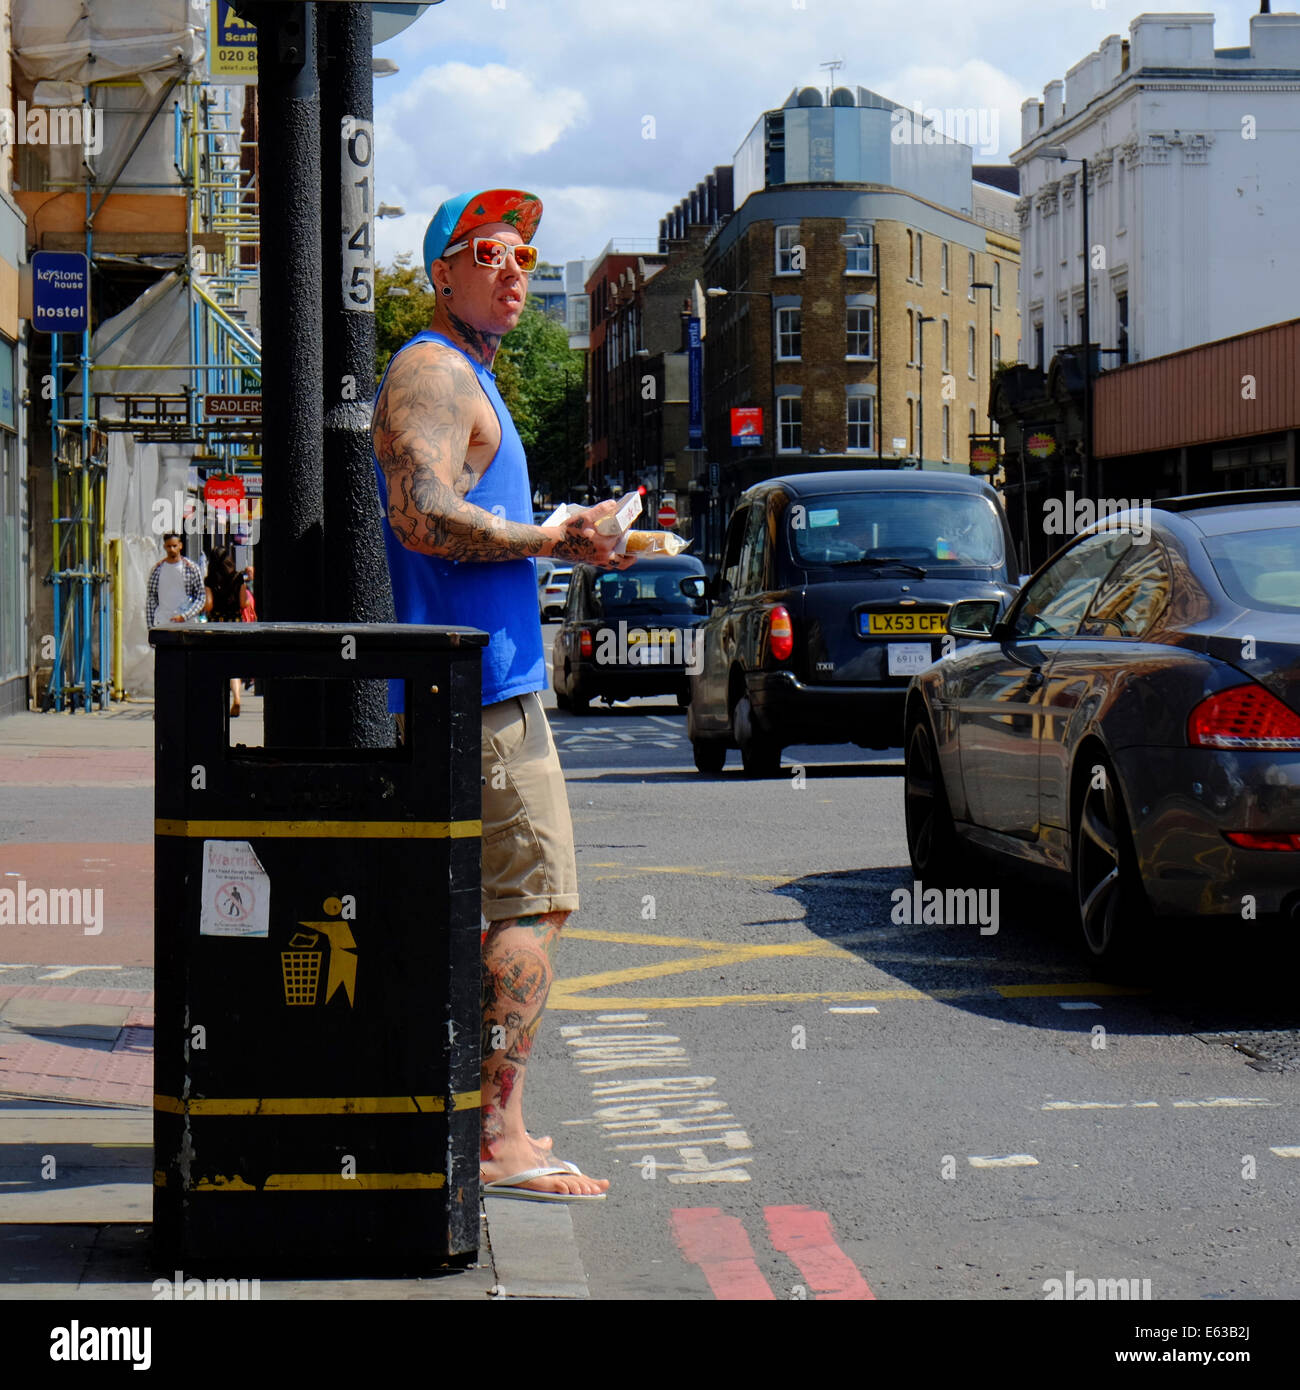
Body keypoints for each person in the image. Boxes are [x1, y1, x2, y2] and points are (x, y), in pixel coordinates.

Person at [372, 188, 633, 1202]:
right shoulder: (432, 369)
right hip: (481, 695)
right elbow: (419, 510)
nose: (514, 269)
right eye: (490, 252)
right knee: (536, 898)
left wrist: (585, 533)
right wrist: (547, 538)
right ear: (443, 271)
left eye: (526, 253)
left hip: (481, 686)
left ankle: (482, 1119)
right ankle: (498, 1138)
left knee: (490, 909)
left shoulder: (466, 371)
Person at [203, 545, 248, 716]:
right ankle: (236, 697)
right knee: (233, 662)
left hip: (216, 623)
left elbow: (209, 605)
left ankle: (216, 702)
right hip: (234, 623)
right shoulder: (238, 578)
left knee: (216, 661)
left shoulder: (210, 580)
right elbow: (243, 603)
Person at [146, 533, 205, 627]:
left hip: (187, 624)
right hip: (163, 622)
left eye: (174, 546)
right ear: (164, 547)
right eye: (169, 546)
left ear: (180, 546)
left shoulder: (192, 568)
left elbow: (200, 597)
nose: (172, 549)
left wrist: (185, 616)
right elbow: (151, 599)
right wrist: (150, 627)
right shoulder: (157, 570)